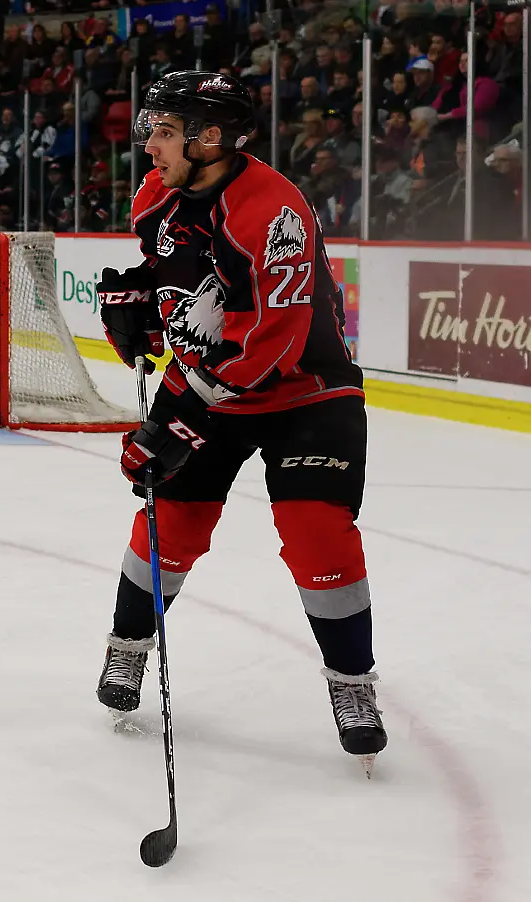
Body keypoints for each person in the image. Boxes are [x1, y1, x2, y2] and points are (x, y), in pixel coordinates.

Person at [94, 71, 386, 772]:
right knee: (170, 525)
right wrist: (136, 304)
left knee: (317, 535)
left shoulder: (272, 212)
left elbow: (269, 340)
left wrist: (182, 419)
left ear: (211, 139)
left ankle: (352, 683)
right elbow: (170, 268)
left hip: (305, 392)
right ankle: (127, 646)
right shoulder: (158, 192)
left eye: (165, 131)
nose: (149, 144)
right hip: (208, 378)